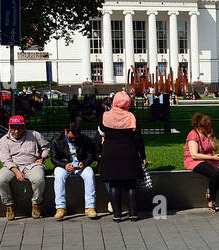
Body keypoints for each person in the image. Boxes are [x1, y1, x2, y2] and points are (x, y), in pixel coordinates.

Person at [98, 93, 147, 223]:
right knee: (131, 185)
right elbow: (138, 139)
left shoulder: (105, 116)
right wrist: (142, 155)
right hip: (129, 153)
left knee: (114, 185)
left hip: (110, 153)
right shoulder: (131, 117)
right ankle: (133, 214)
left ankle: (117, 215)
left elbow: (102, 130)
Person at [0, 114, 49, 221]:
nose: (16, 131)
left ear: (24, 127)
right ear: (9, 127)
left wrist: (42, 158)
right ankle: (8, 205)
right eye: (13, 128)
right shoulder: (3, 141)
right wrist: (16, 172)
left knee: (38, 179)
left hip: (32, 164)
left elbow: (46, 147)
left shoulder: (34, 135)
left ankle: (36, 203)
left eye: (19, 128)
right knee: (0, 179)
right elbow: (6, 160)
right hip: (12, 166)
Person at [185, 112, 219, 213]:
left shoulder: (209, 133)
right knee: (215, 174)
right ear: (200, 127)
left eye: (210, 127)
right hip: (195, 161)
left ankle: (211, 190)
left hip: (210, 158)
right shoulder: (193, 134)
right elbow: (194, 154)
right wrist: (212, 158)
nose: (209, 129)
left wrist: (210, 137)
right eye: (206, 128)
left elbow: (216, 148)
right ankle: (212, 200)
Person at [50, 119, 99, 220]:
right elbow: (53, 158)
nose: (74, 140)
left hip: (80, 164)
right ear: (66, 131)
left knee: (89, 174)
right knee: (59, 175)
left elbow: (91, 155)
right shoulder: (56, 140)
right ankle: (60, 208)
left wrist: (84, 163)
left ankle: (90, 207)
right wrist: (64, 165)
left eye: (76, 138)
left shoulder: (84, 139)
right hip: (64, 164)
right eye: (71, 137)